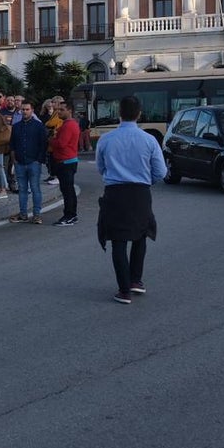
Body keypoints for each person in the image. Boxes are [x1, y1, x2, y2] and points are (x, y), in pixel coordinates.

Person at [96, 95, 166, 305]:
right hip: (140, 193)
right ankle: (136, 280)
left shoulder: (106, 139)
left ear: (119, 114)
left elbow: (101, 168)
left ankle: (123, 290)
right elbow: (160, 172)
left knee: (118, 241)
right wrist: (146, 181)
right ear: (139, 114)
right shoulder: (149, 139)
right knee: (140, 236)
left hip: (115, 193)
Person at [9, 100, 48, 224]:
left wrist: (38, 160)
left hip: (33, 162)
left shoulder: (38, 126)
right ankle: (23, 213)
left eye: (27, 109)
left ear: (32, 110)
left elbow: (43, 144)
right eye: (23, 110)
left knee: (35, 188)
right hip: (20, 162)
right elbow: (12, 144)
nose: (25, 112)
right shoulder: (16, 127)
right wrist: (14, 159)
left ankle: (37, 215)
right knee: (22, 189)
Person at [51, 101, 82, 226]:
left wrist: (51, 140)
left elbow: (61, 144)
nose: (59, 112)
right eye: (58, 109)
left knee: (68, 191)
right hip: (67, 160)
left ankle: (70, 215)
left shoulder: (68, 125)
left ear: (70, 111)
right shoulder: (68, 124)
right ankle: (71, 215)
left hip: (66, 161)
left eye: (62, 109)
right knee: (68, 190)